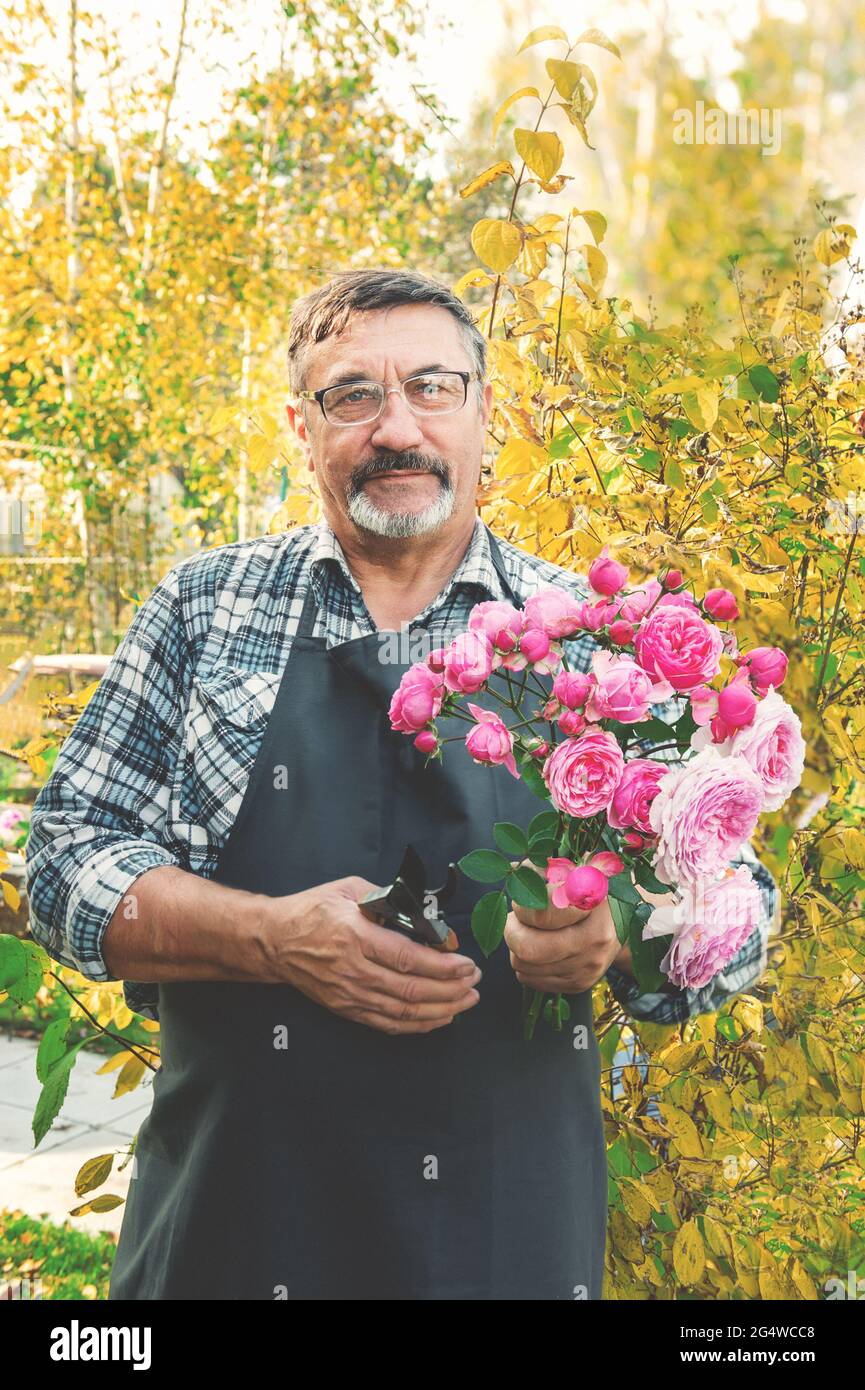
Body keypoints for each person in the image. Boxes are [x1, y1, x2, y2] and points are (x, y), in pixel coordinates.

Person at [25, 267, 778, 1301]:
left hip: (500, 1242)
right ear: (301, 424)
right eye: (352, 396)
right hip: (231, 1233)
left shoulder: (595, 641)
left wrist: (628, 932)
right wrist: (269, 938)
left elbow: (737, 913)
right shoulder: (203, 608)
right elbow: (62, 860)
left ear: (484, 413)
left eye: (432, 387)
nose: (396, 428)